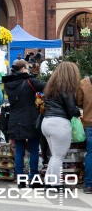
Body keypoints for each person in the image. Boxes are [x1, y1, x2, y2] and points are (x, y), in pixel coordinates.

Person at [3, 59, 46, 188]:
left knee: (19, 150)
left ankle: (21, 180)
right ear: (23, 69)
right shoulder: (29, 81)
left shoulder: (8, 83)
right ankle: (33, 179)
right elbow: (46, 86)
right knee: (33, 150)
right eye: (27, 67)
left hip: (15, 118)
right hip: (31, 118)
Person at [42, 61, 81, 189]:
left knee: (54, 155)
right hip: (59, 123)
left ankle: (49, 181)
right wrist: (78, 111)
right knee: (59, 156)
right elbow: (71, 109)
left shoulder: (50, 87)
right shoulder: (67, 88)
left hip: (46, 122)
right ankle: (57, 183)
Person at [77, 71, 92, 194]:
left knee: (91, 153)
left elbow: (79, 102)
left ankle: (88, 185)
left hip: (90, 123)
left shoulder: (84, 83)